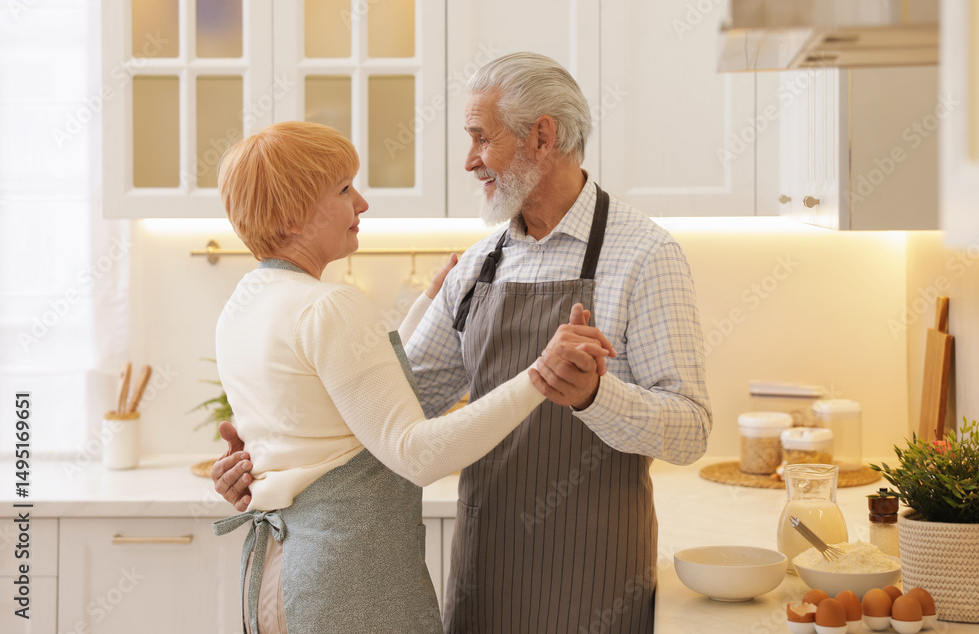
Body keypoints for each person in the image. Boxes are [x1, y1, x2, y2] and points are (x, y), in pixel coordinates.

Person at [214, 53, 712, 633]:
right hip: (485, 572)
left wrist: (593, 397)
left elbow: (691, 431)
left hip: (594, 570)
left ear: (542, 137)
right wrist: (270, 455)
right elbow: (397, 406)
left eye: (481, 139)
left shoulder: (645, 256)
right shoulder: (476, 267)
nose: (469, 160)